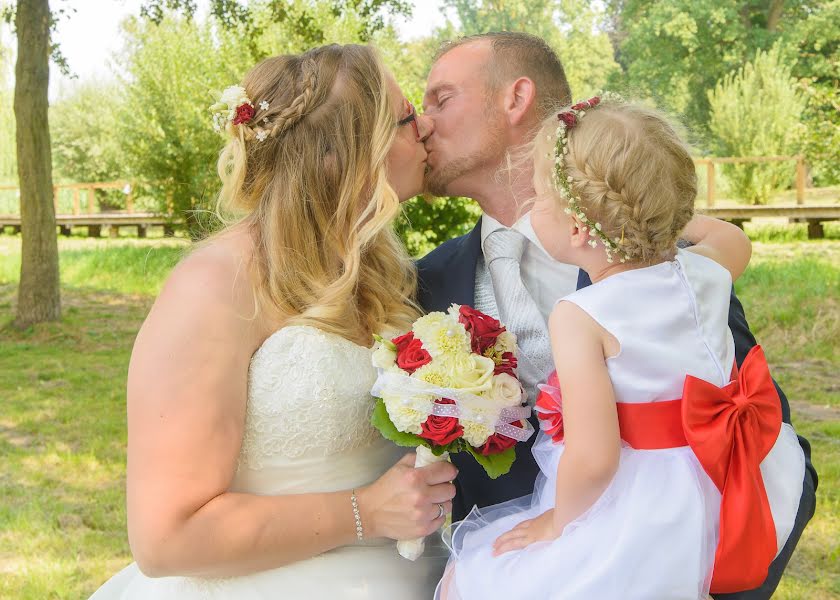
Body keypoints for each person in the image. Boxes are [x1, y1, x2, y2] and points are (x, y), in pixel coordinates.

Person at [417, 31, 817, 598]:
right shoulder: (425, 283)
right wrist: (655, 214)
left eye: (441, 98)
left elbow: (610, 452)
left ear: (515, 97)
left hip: (636, 533)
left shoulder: (591, 309)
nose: (423, 121)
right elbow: (732, 242)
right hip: (650, 528)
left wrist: (558, 525)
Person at [90, 43, 455, 599]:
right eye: (405, 117)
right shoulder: (214, 287)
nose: (425, 125)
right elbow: (166, 537)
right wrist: (365, 513)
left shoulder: (379, 272)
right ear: (346, 155)